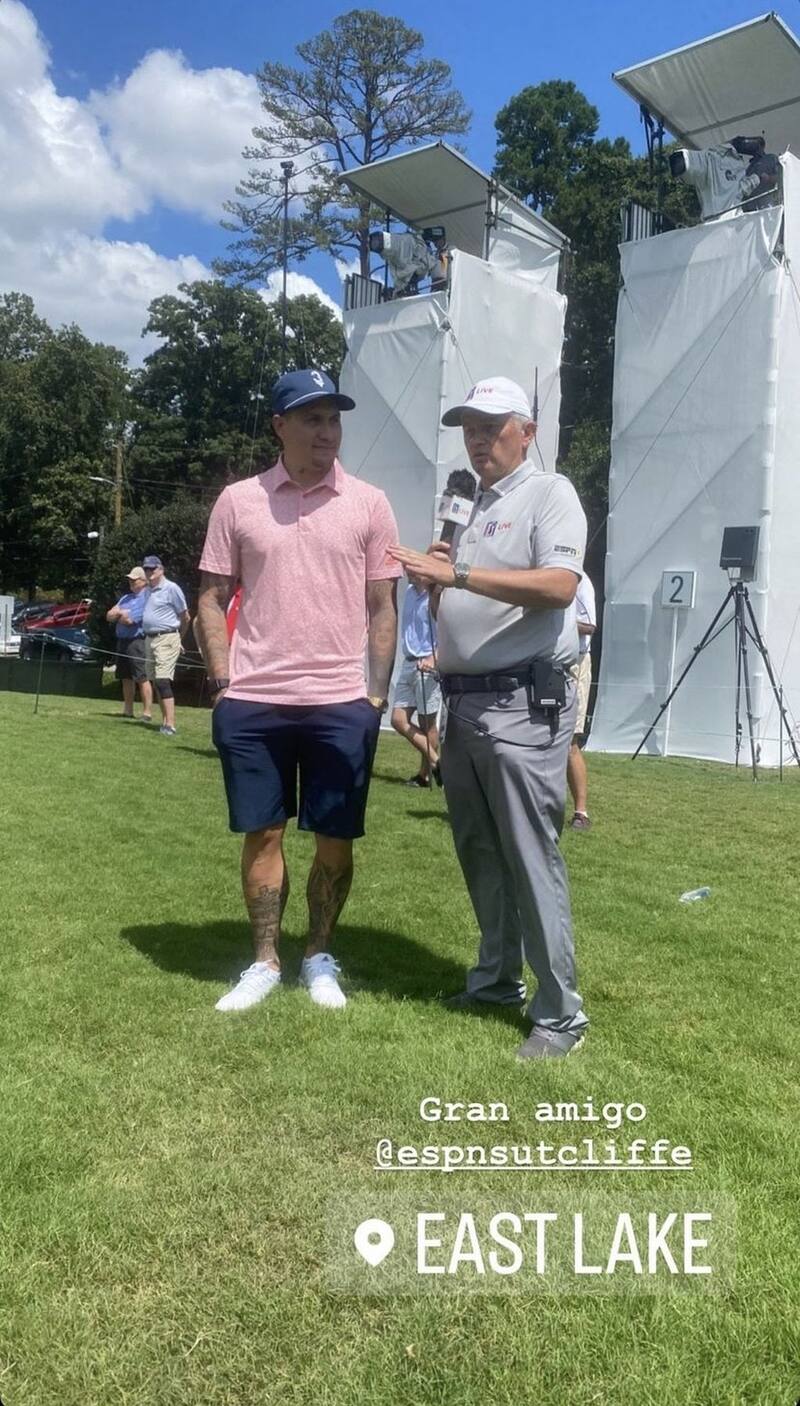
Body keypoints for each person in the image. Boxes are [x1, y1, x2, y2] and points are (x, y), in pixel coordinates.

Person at [388, 376, 588, 1060]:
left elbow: (559, 587)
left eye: (491, 426)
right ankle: (497, 982)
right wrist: (436, 582)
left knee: (531, 857)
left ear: (526, 431)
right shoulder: (465, 506)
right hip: (465, 702)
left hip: (521, 705)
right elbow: (456, 603)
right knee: (478, 852)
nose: (477, 438)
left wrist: (460, 579)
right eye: (469, 426)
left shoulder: (548, 494)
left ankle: (561, 1015)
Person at [196, 368, 400, 1014]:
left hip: (342, 700)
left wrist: (374, 698)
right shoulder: (238, 501)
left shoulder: (370, 504)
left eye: (334, 419)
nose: (326, 431)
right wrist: (225, 682)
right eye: (311, 419)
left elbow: (382, 606)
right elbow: (209, 596)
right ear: (279, 426)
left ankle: (317, 954)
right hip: (255, 699)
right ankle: (264, 960)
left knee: (335, 837)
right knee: (263, 834)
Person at [390, 581, 442, 787]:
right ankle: (437, 762)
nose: (407, 572)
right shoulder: (411, 592)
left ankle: (424, 775)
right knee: (398, 719)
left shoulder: (436, 595)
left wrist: (434, 658)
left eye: (411, 568)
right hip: (409, 661)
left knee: (427, 723)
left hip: (427, 664)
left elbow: (447, 631)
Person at [141, 555, 190, 736]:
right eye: (146, 569)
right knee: (155, 680)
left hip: (167, 638)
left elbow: (185, 617)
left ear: (161, 569)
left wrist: (178, 639)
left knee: (162, 680)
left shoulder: (171, 589)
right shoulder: (147, 590)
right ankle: (164, 722)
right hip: (150, 639)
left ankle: (170, 724)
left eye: (152, 569)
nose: (149, 572)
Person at [567, 572, 597, 830]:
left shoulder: (581, 582)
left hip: (575, 663)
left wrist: (558, 617)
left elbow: (590, 627)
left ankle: (581, 812)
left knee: (570, 740)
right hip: (547, 661)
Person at [106, 566, 153, 721]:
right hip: (122, 641)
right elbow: (109, 615)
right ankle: (128, 710)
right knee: (125, 677)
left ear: (143, 581)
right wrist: (120, 613)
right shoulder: (125, 598)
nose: (131, 582)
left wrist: (119, 614)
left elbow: (130, 620)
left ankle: (147, 712)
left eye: (134, 579)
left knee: (141, 676)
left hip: (136, 641)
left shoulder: (146, 598)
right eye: (130, 579)